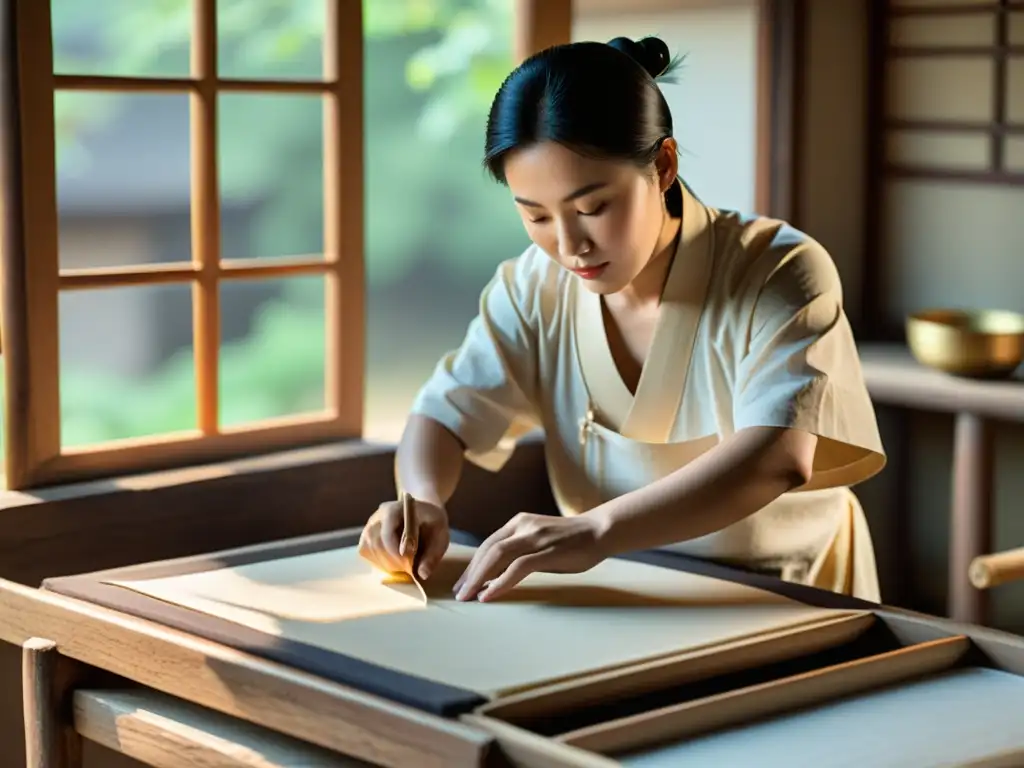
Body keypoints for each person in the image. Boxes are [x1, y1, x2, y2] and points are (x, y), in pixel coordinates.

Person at [358, 35, 886, 605]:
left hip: (780, 584)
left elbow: (778, 456)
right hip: (615, 586)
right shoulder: (533, 284)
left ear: (662, 165)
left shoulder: (779, 269)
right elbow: (444, 414)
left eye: (592, 208)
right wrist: (420, 502)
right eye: (535, 216)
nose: (568, 245)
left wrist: (595, 530)